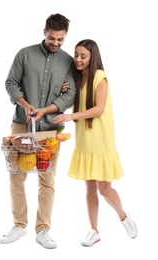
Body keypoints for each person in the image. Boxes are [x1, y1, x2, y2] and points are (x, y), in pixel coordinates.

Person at [0, 13, 76, 249]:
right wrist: (25, 104)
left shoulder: (68, 63)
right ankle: (19, 225)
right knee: (16, 175)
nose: (55, 43)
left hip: (50, 129)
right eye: (52, 38)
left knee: (47, 178)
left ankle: (43, 230)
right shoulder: (25, 54)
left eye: (60, 40)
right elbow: (10, 82)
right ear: (44, 32)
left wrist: (46, 110)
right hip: (22, 123)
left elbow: (70, 94)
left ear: (65, 37)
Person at [53, 39, 138, 246]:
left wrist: (71, 117)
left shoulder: (100, 77)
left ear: (93, 57)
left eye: (83, 56)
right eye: (76, 55)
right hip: (84, 141)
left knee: (105, 189)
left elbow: (98, 109)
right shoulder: (78, 78)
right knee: (90, 189)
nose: (78, 59)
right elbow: (77, 100)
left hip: (100, 140)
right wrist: (66, 89)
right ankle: (94, 230)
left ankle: (123, 216)